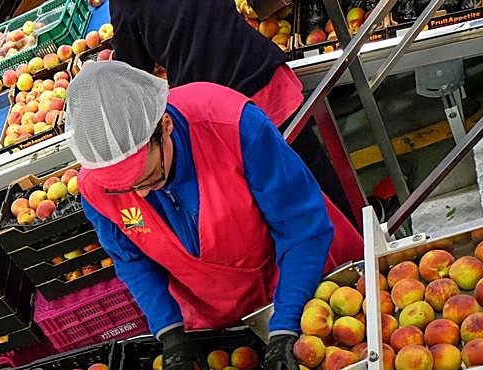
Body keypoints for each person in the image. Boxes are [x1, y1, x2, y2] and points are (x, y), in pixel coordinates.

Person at [64, 61, 364, 370]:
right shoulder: (96, 187)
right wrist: (170, 331)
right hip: (221, 308)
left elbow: (300, 226)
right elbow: (131, 260)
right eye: (125, 189)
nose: (143, 195)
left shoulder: (230, 124)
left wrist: (286, 321)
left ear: (165, 126)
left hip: (304, 279)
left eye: (149, 179)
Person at [108, 0, 357, 222]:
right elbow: (266, 6)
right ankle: (358, 242)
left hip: (219, 110)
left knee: (271, 196)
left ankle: (331, 257)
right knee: (314, 170)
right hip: (259, 74)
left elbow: (132, 76)